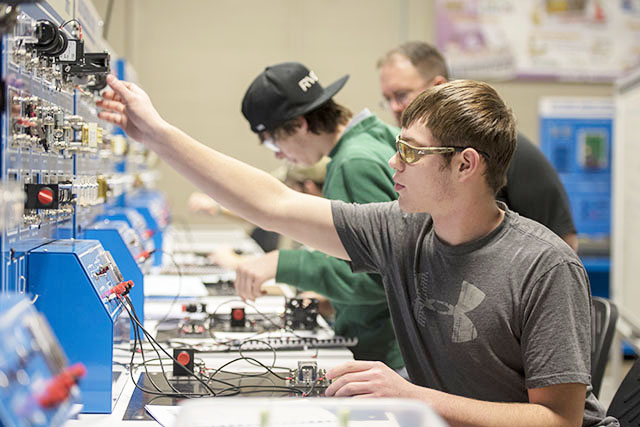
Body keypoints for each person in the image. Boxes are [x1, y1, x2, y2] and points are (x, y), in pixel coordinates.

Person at [98, 74, 616, 426]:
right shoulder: (404, 231)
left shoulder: (544, 265)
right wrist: (158, 135)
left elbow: (558, 419)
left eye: (412, 152)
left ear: (465, 165)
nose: (394, 165)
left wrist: (412, 394)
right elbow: (273, 203)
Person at [202, 62, 406, 371]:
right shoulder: (378, 137)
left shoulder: (353, 163)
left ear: (298, 125)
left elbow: (378, 277)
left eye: (273, 141)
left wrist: (281, 263)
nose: (277, 155)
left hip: (386, 353)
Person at [377, 41, 579, 252]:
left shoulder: (502, 147)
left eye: (401, 95)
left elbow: (564, 241)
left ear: (437, 86)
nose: (394, 108)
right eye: (387, 99)